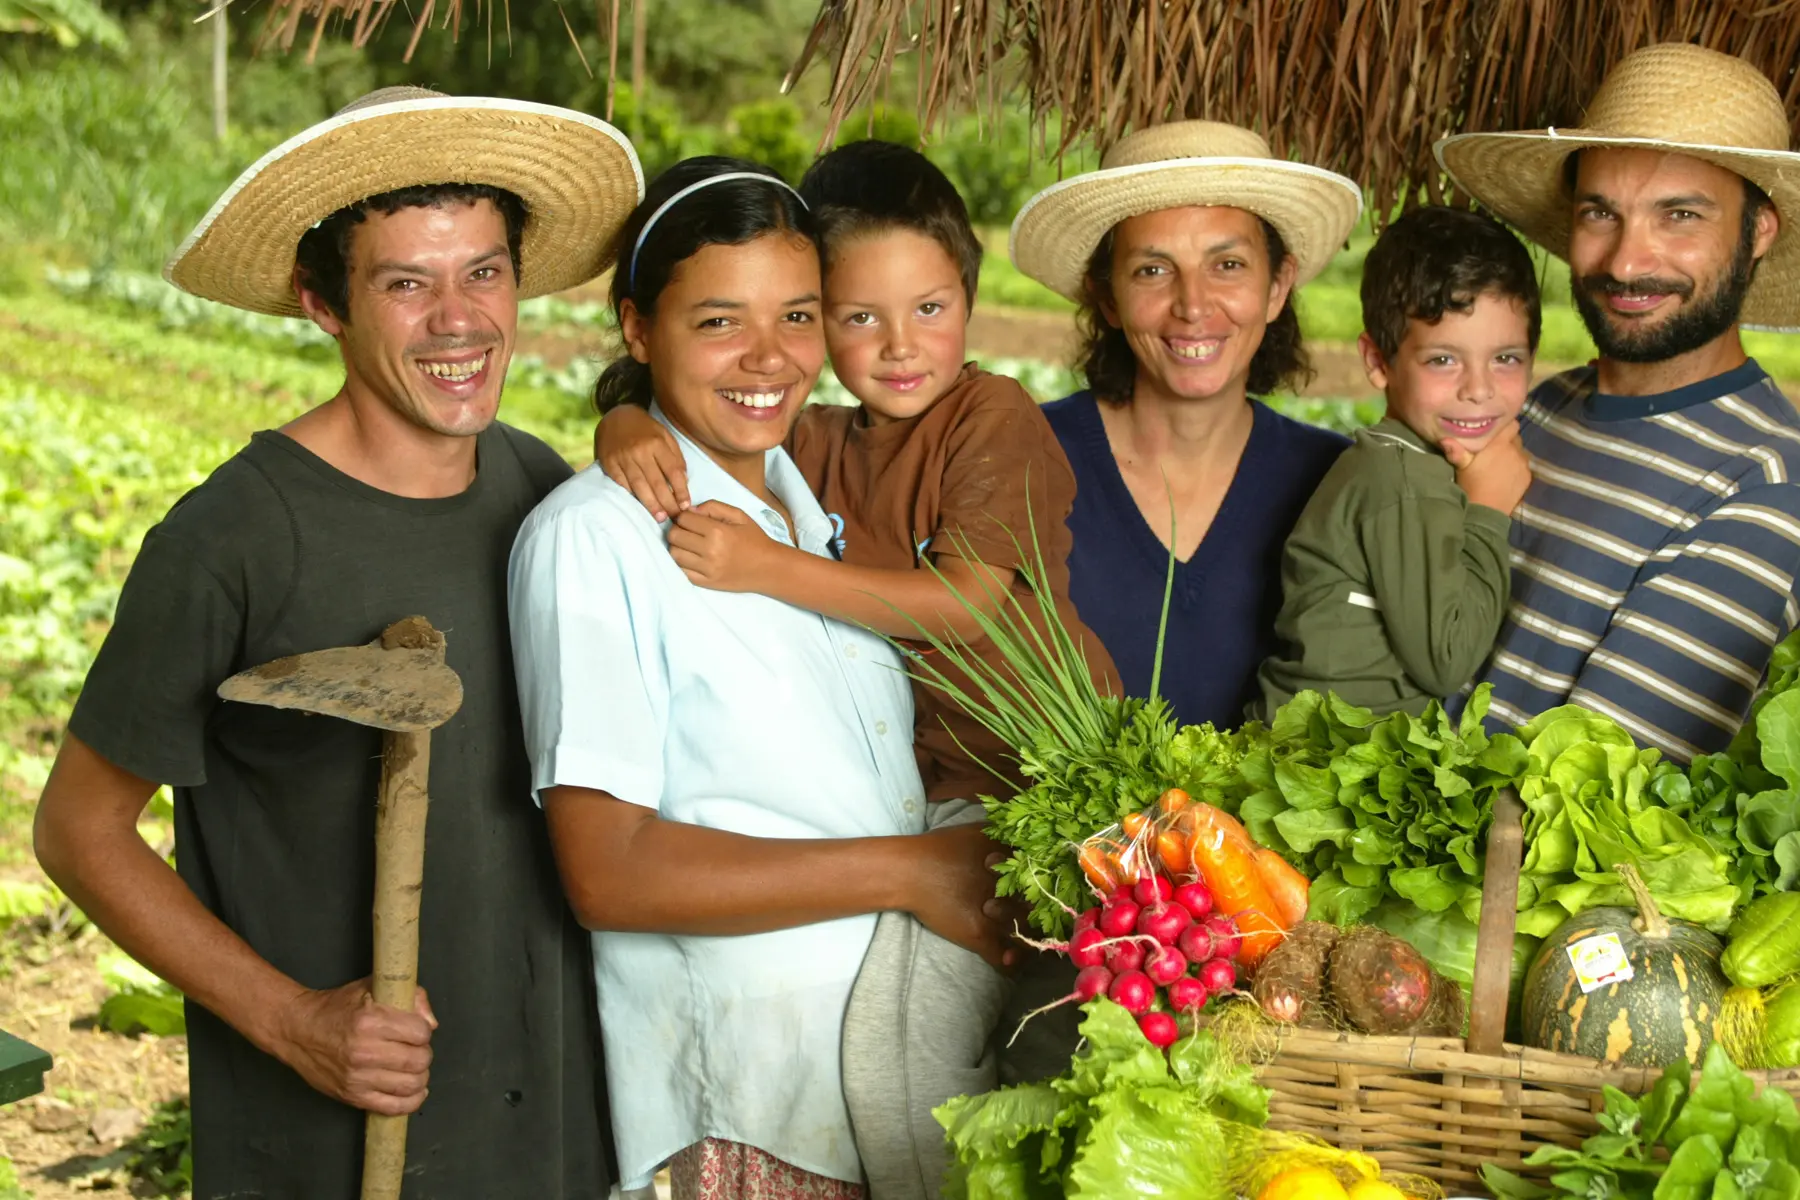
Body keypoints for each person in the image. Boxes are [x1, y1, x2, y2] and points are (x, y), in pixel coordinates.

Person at [32, 87, 642, 1199]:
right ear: (323, 302)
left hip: (547, 1119)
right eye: (407, 283)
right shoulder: (235, 537)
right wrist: (299, 1022)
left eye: (484, 272)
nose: (459, 320)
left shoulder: (542, 492)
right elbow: (78, 831)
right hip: (336, 1138)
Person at [591, 140, 1113, 1200]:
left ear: (970, 297)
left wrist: (765, 568)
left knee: (900, 1065)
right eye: (856, 317)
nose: (900, 345)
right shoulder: (815, 443)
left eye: (930, 308)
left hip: (1027, 790)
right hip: (920, 801)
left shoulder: (991, 418)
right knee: (982, 1058)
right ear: (814, 320)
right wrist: (621, 417)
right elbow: (683, 413)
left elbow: (967, 605)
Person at [508, 156, 1015, 1200]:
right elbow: (610, 873)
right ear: (638, 328)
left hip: (880, 1095)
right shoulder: (593, 540)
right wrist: (913, 870)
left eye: (797, 315)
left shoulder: (811, 511)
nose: (770, 357)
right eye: (717, 322)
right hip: (752, 1112)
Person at [1438, 43, 1800, 760]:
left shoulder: (1766, 485)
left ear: (1758, 231)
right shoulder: (1541, 407)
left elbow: (1587, 795)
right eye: (1601, 213)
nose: (1627, 261)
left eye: (1680, 216)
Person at [1007, 120, 1363, 730]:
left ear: (1278, 287)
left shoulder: (1338, 481)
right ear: (1109, 298)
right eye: (1152, 270)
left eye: (1227, 264)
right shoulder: (1026, 457)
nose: (1192, 305)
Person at [1254, 207, 1540, 718]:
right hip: (1319, 770)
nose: (1478, 389)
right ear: (1378, 363)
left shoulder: (1396, 458)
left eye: (1506, 358)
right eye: (1443, 360)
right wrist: (1488, 509)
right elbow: (1447, 663)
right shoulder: (1405, 480)